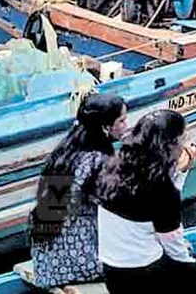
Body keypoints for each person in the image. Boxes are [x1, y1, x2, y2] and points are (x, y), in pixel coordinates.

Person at [95, 109, 196, 294]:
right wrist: (192, 264)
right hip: (142, 277)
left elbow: (163, 204)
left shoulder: (113, 166)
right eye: (182, 139)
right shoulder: (161, 187)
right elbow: (174, 245)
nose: (184, 145)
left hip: (113, 274)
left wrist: (181, 170)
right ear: (171, 144)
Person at [28, 93, 127, 290]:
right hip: (79, 261)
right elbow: (122, 205)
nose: (126, 125)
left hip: (46, 262)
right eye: (122, 120)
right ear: (105, 126)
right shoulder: (97, 161)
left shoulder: (64, 152)